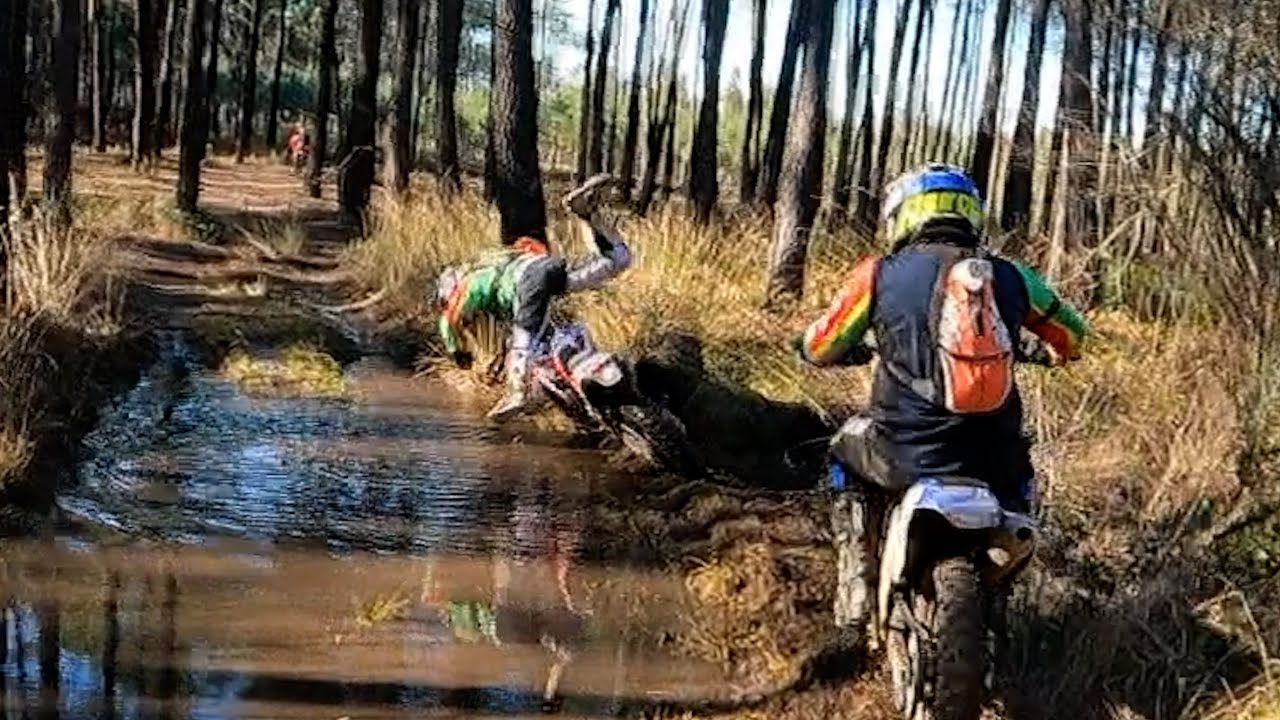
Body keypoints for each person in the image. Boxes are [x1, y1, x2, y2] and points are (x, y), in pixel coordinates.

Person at [792, 163, 1088, 645]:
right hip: (998, 463)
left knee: (842, 451)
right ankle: (1001, 597)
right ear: (970, 213)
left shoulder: (878, 274)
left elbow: (820, 346)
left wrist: (818, 349)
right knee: (1020, 497)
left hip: (902, 455)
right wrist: (1048, 353)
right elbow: (1074, 336)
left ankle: (854, 598)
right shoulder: (1014, 278)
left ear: (904, 214)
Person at [436, 173, 632, 421]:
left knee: (524, 338)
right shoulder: (495, 260)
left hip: (526, 282)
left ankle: (517, 393)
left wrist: (458, 353)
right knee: (619, 260)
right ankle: (587, 215)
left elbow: (448, 321)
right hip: (551, 269)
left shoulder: (464, 286)